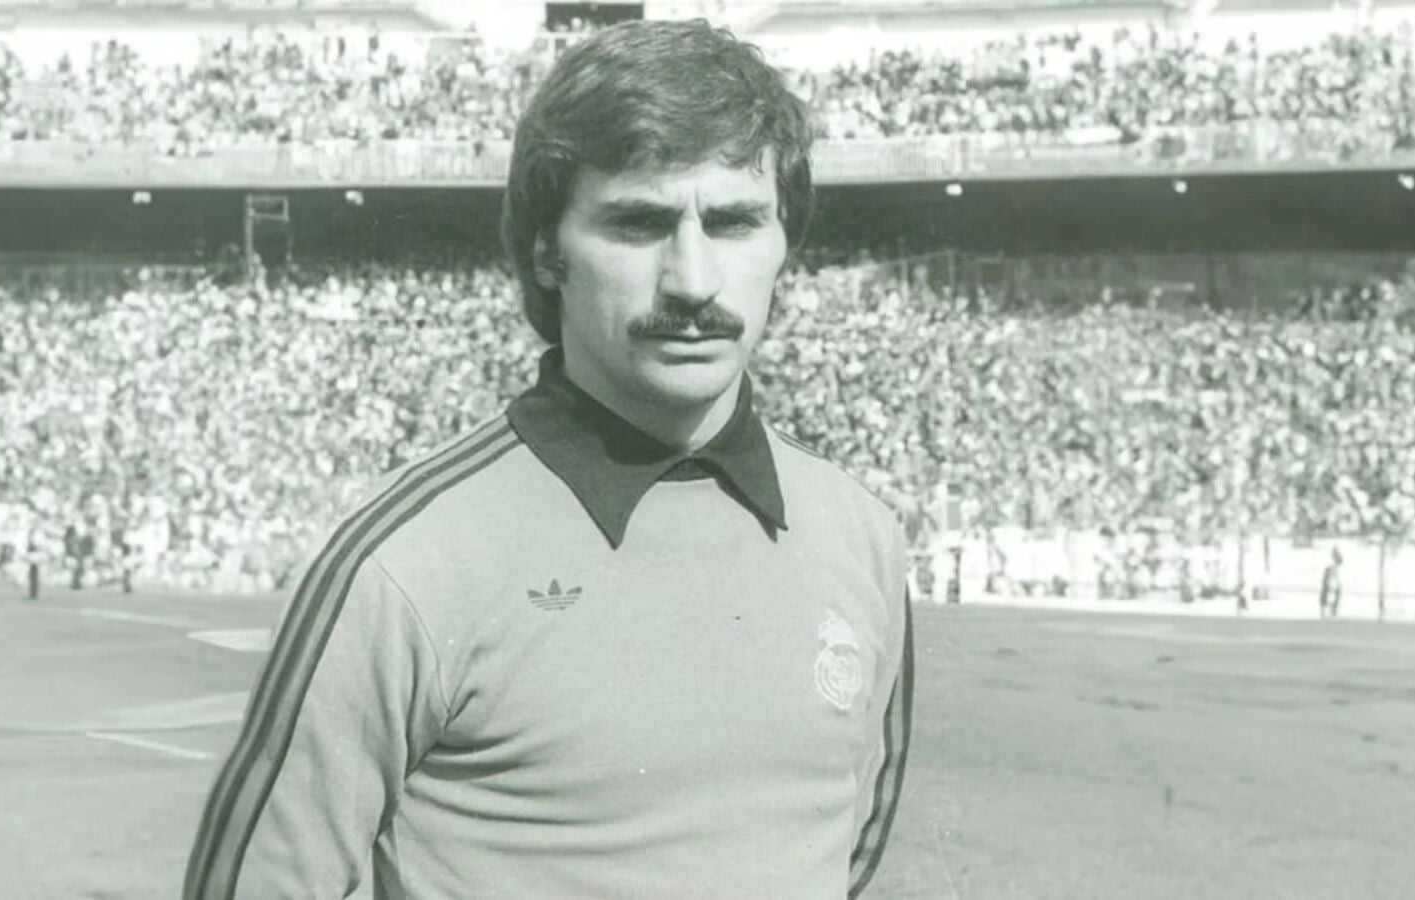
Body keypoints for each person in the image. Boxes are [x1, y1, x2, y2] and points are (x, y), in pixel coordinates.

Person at [184, 19, 913, 900]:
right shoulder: (404, 564)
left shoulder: (861, 535)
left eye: (732, 222)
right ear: (546, 253)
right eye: (638, 224)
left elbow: (844, 859)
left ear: (784, 243)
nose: (692, 280)